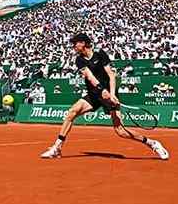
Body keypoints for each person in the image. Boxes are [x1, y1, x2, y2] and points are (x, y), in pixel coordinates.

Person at [40, 33, 169, 160]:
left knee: (120, 131)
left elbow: (111, 75)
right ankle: (57, 147)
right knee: (72, 112)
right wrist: (101, 90)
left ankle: (152, 143)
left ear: (83, 43)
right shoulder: (79, 60)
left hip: (109, 94)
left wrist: (112, 94)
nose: (73, 46)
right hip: (94, 94)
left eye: (75, 43)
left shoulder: (100, 54)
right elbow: (90, 77)